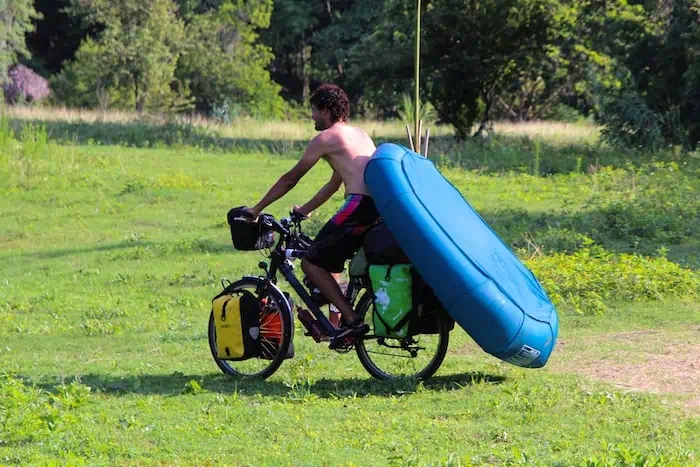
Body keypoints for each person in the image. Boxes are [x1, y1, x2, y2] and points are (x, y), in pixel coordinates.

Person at [243, 84, 379, 339]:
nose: (312, 117)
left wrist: (256, 209)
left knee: (311, 263)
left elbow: (290, 179)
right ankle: (338, 319)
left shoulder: (326, 138)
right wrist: (304, 210)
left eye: (314, 111)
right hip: (376, 207)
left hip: (357, 206)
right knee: (327, 254)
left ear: (326, 110)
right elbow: (334, 184)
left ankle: (351, 321)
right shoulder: (359, 135)